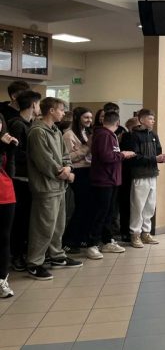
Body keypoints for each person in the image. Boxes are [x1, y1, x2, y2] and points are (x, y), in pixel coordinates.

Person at [26, 97, 82, 280]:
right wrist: (65, 174)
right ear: (51, 110)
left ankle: (57, 256)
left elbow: (65, 156)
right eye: (61, 110)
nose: (63, 113)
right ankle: (34, 263)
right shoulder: (37, 132)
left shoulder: (56, 130)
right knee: (43, 227)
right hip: (45, 186)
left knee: (58, 225)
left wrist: (68, 167)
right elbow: (44, 161)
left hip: (59, 186)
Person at [89, 111, 135, 254]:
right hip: (103, 180)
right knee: (101, 213)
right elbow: (106, 157)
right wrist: (123, 154)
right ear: (118, 123)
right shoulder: (103, 135)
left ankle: (107, 241)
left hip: (112, 179)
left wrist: (120, 154)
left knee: (109, 213)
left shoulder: (110, 135)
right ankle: (92, 244)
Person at [125, 108, 165, 248]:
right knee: (138, 206)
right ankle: (135, 234)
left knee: (150, 206)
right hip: (140, 175)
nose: (153, 121)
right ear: (141, 120)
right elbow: (135, 157)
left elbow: (158, 151)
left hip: (152, 174)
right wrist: (154, 158)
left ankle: (146, 232)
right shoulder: (134, 136)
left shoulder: (153, 134)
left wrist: (162, 158)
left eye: (153, 118)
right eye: (150, 118)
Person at [7, 90, 40, 271]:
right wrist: (38, 157)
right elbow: (16, 153)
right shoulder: (18, 125)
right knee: (20, 219)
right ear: (33, 105)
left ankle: (23, 252)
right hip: (19, 178)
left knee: (27, 218)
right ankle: (17, 255)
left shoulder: (31, 124)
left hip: (29, 177)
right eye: (39, 104)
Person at [62, 107, 94, 256]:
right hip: (78, 172)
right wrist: (86, 147)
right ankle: (69, 241)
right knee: (82, 207)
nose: (89, 120)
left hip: (89, 170)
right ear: (77, 118)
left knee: (88, 207)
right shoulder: (68, 135)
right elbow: (68, 157)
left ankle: (81, 238)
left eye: (90, 117)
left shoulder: (86, 132)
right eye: (86, 117)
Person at [0, 117, 18, 297]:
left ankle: (2, 279)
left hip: (5, 194)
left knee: (4, 238)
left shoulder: (5, 142)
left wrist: (10, 150)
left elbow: (10, 170)